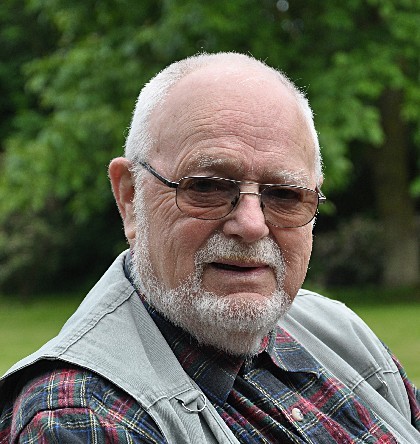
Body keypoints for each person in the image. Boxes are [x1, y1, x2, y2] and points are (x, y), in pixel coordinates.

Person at [0, 52, 419, 443]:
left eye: (285, 195)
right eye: (207, 187)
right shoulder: (81, 415)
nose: (251, 225)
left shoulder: (339, 332)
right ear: (130, 197)